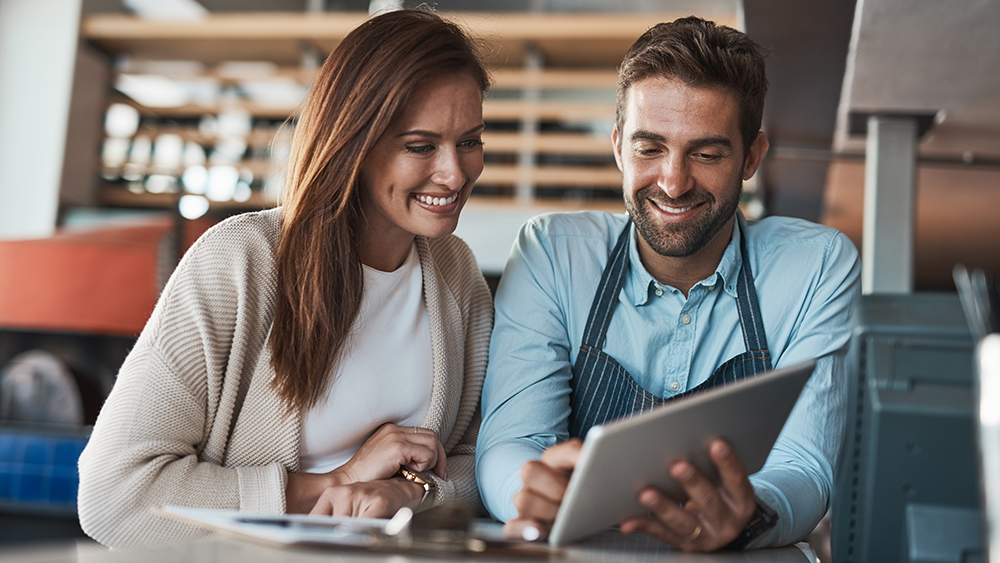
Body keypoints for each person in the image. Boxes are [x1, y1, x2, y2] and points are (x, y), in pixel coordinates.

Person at [78, 9, 494, 548]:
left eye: (470, 141)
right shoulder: (239, 261)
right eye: (420, 146)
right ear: (353, 144)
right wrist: (334, 484)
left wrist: (412, 493)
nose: (455, 174)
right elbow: (114, 496)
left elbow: (478, 464)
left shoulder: (456, 276)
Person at [476, 16, 861, 552]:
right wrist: (528, 490)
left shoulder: (816, 266)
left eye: (706, 153)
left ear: (751, 157)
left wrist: (749, 516)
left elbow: (804, 465)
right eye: (649, 148)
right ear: (617, 147)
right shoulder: (554, 254)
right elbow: (511, 442)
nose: (674, 182)